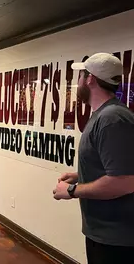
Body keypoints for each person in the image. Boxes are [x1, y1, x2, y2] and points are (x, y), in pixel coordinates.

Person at [52, 53, 134, 264]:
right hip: (103, 234)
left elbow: (124, 181)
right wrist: (82, 174)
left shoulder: (112, 119)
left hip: (117, 240)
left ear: (90, 79)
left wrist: (72, 191)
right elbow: (116, 167)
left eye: (80, 76)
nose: (77, 81)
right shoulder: (105, 115)